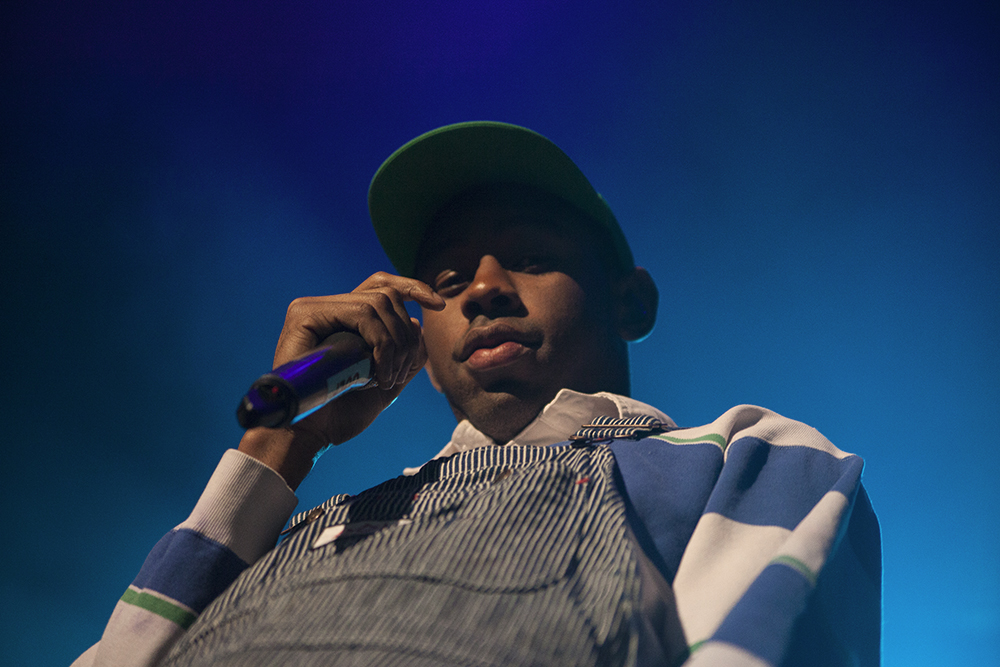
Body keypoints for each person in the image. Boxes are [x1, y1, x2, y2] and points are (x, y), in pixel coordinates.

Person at [74, 122, 881, 667]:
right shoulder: (323, 521)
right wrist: (279, 445)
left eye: (528, 256)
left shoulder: (746, 456)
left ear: (631, 302)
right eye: (449, 278)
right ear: (422, 351)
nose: (483, 289)